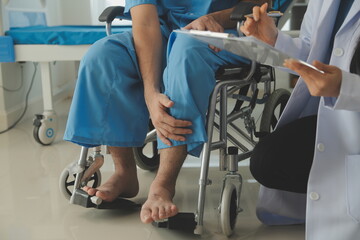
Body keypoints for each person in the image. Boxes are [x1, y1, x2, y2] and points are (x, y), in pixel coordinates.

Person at [64, 0, 285, 224]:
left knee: (185, 51)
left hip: (232, 31)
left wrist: (216, 18)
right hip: (168, 31)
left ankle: (164, 184)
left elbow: (262, 3)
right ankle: (124, 173)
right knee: (102, 56)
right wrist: (151, 94)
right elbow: (145, 21)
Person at [240, 0, 360, 239]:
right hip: (343, 114)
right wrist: (274, 40)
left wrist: (347, 88)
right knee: (269, 162)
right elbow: (312, 52)